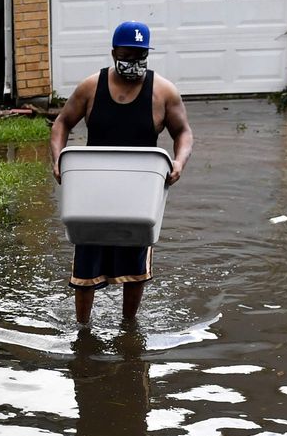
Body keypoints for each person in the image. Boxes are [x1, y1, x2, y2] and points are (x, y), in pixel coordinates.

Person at [49, 20, 194, 325]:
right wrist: (58, 159)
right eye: (127, 56)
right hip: (93, 190)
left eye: (141, 56)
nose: (134, 63)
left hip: (139, 193)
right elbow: (62, 123)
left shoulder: (163, 92)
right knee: (86, 262)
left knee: (135, 266)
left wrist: (179, 161)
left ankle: (128, 325)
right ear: (114, 52)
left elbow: (183, 132)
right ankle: (82, 329)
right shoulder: (91, 87)